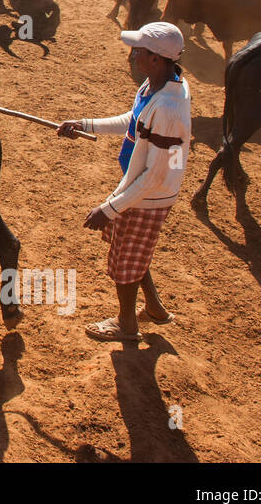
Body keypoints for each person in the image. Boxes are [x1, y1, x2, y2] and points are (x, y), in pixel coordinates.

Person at [57, 22, 191, 343]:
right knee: (133, 250)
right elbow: (133, 121)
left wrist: (110, 208)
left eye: (139, 51)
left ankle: (127, 324)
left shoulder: (169, 109)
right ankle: (154, 306)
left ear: (157, 58)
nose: (133, 55)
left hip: (148, 194)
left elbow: (155, 175)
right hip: (140, 186)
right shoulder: (154, 87)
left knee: (125, 259)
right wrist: (84, 124)